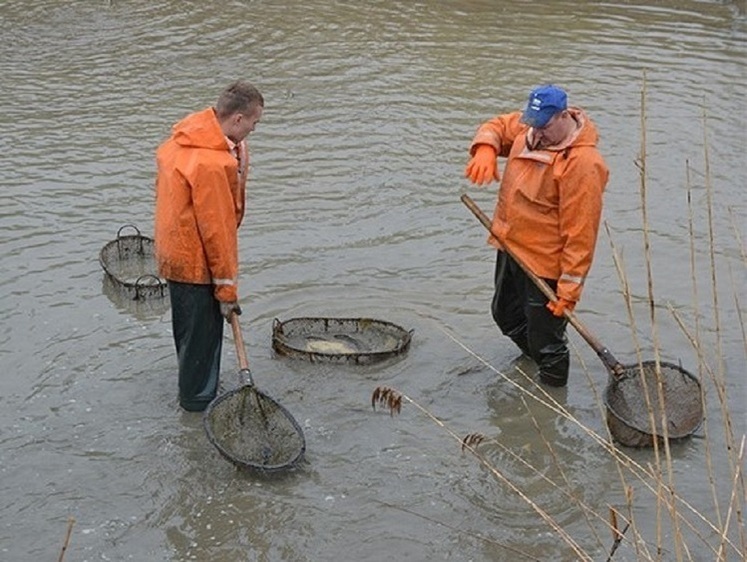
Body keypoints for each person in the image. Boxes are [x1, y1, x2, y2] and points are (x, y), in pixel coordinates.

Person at [464, 84, 609, 387]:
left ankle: (552, 395)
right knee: (504, 315)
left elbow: (581, 232)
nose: (536, 133)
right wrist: (486, 149)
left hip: (545, 266)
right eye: (532, 124)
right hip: (510, 247)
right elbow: (497, 126)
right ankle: (532, 364)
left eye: (543, 126)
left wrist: (569, 290)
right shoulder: (530, 128)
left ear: (562, 116)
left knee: (548, 342)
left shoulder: (583, 164)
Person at [154, 81, 264, 411]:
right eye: (254, 124)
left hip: (173, 255)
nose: (254, 131)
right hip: (195, 264)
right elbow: (218, 232)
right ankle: (197, 406)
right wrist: (227, 292)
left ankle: (193, 387)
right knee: (201, 342)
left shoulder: (180, 142)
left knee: (189, 338)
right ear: (238, 119)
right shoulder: (213, 166)